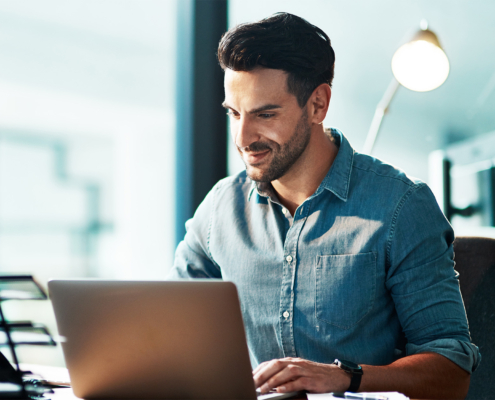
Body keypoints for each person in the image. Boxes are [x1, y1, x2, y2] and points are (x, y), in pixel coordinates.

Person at [168, 12, 480, 399]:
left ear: (318, 104)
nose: (244, 138)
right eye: (234, 113)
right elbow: (170, 332)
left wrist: (346, 377)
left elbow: (452, 371)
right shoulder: (219, 209)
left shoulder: (401, 207)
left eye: (265, 114)